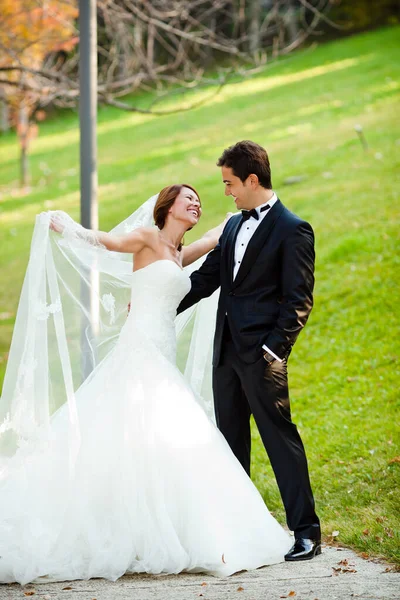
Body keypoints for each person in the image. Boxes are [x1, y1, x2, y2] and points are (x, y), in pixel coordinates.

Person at [0, 184, 291, 585]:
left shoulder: (176, 253)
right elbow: (107, 242)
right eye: (189, 200)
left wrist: (238, 219)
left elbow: (209, 241)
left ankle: (170, 528)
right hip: (139, 352)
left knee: (164, 436)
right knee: (132, 428)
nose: (197, 205)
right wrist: (67, 227)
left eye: (199, 202)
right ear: (168, 207)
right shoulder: (148, 238)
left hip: (162, 352)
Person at [177, 142, 321, 561]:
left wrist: (274, 350)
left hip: (262, 358)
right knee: (230, 445)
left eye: (229, 183)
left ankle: (306, 532)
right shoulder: (233, 227)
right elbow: (206, 280)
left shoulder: (294, 229)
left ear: (252, 180)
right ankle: (237, 531)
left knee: (280, 441)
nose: (226, 192)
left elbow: (299, 299)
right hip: (225, 354)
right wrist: (162, 304)